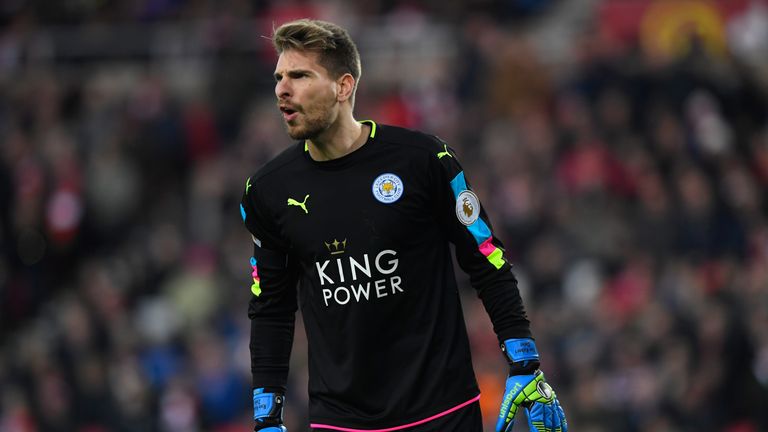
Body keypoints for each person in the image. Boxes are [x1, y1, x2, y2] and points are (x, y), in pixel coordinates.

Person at [239, 18, 567, 432]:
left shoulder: (423, 161)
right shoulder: (267, 191)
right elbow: (270, 307)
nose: (282, 89)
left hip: (442, 410)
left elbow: (486, 258)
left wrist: (524, 361)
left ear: (344, 87)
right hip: (341, 422)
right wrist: (266, 417)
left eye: (300, 76)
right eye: (279, 77)